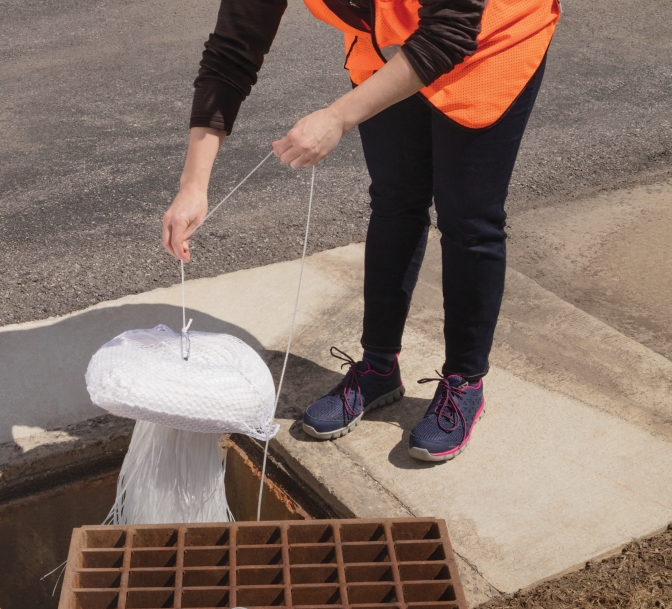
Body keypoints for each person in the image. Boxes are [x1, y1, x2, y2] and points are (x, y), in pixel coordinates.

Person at [162, 0, 560, 462]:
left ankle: (464, 381)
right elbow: (233, 51)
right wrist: (193, 184)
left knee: (469, 218)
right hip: (392, 45)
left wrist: (338, 116)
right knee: (395, 201)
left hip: (491, 40)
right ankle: (378, 366)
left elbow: (449, 31)